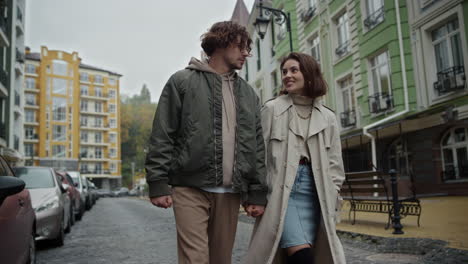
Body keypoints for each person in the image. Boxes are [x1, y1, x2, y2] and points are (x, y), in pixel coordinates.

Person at [145, 21, 267, 264]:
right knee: (195, 259)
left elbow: (256, 146)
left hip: (231, 192)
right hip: (189, 187)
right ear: (222, 43)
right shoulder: (182, 82)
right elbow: (163, 133)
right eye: (241, 47)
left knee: (221, 259)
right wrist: (158, 182)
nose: (246, 54)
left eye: (248, 49)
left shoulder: (248, 94)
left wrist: (256, 192)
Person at [245, 52, 346, 264]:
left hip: (318, 192)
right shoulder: (272, 109)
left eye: (294, 70)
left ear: (309, 74)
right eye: (284, 72)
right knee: (301, 253)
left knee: (306, 252)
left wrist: (333, 190)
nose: (287, 75)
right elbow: (257, 156)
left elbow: (335, 164)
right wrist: (254, 194)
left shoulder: (328, 117)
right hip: (284, 190)